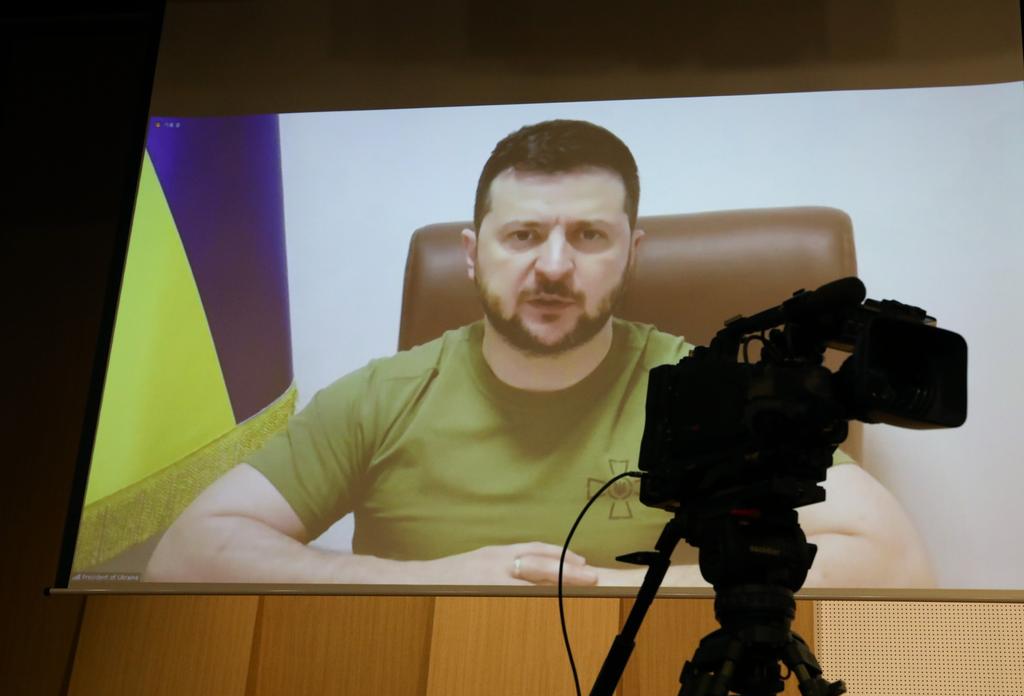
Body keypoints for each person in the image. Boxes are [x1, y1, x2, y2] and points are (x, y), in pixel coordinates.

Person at [146, 119, 934, 589]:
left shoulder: (710, 390)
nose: (554, 266)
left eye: (589, 236)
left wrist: (633, 597)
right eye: (523, 234)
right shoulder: (383, 396)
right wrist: (440, 582)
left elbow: (891, 558)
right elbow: (186, 553)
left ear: (632, 252)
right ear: (471, 252)